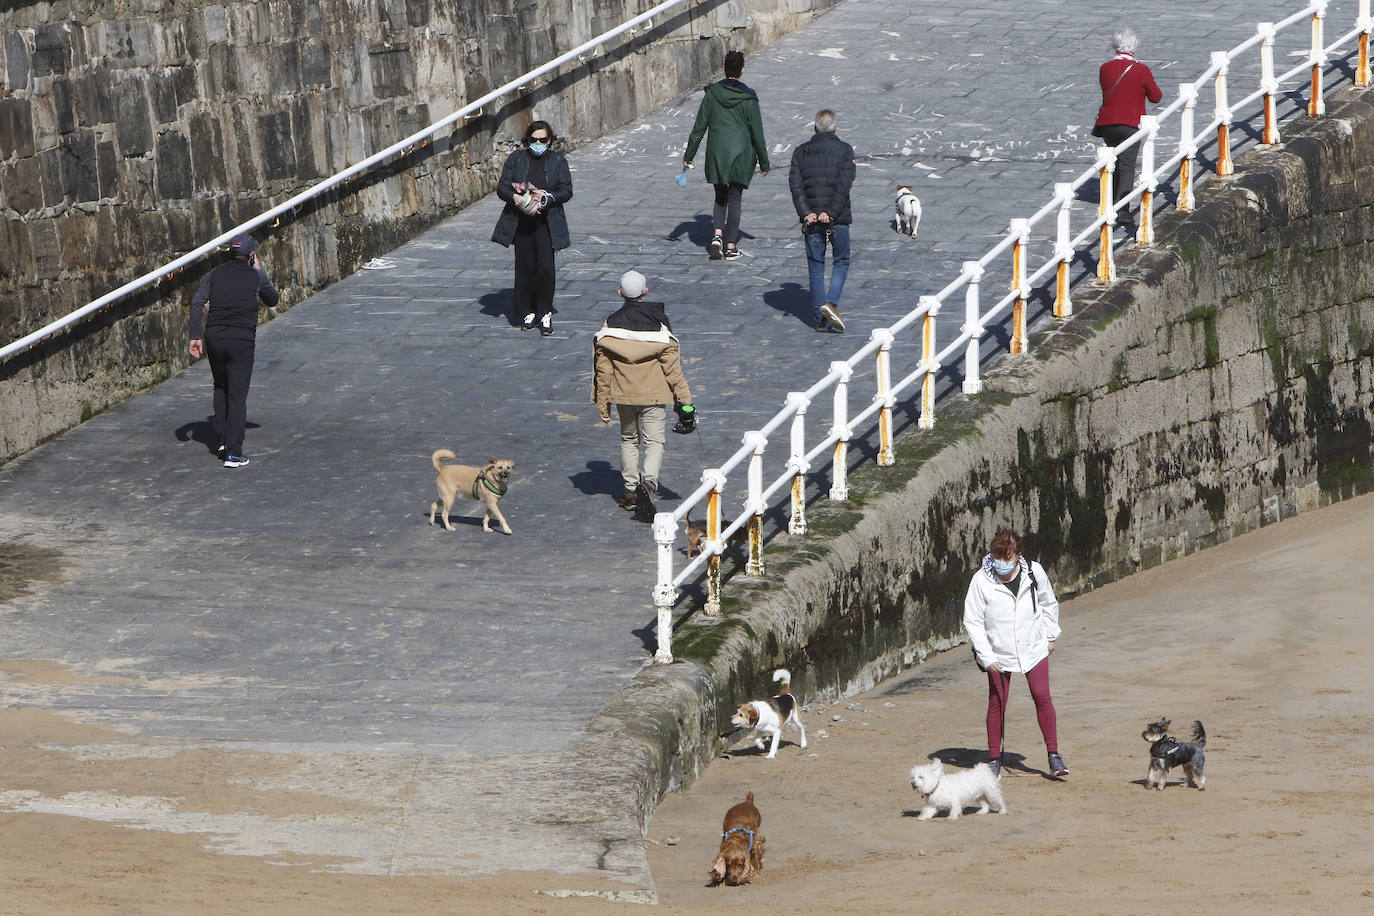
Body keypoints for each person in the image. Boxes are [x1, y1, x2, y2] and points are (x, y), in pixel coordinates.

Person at [963, 528, 1069, 778]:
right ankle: (993, 759)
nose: (1002, 562)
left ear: (1018, 554)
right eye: (998, 557)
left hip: (1033, 646)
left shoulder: (1034, 572)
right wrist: (987, 657)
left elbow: (1048, 603)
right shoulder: (981, 580)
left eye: (1007, 557)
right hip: (998, 653)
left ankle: (1054, 756)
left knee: (1042, 695)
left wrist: (1051, 635)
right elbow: (973, 621)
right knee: (997, 702)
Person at [592, 270, 694, 519]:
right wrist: (686, 402)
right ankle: (648, 483)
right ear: (645, 292)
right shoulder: (660, 327)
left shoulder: (609, 327)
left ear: (620, 294)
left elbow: (602, 371)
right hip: (655, 395)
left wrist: (602, 404)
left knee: (629, 439)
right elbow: (673, 370)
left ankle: (630, 491)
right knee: (654, 441)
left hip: (624, 396)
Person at [188, 234, 279, 468]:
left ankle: (222, 440)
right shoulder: (254, 276)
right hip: (241, 340)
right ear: (250, 255)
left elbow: (197, 302)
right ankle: (234, 453)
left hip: (215, 338)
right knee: (237, 396)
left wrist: (195, 336)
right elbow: (272, 299)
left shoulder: (215, 275)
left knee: (220, 386)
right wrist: (259, 270)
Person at [683, 50, 770, 261]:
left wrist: (689, 155)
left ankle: (716, 237)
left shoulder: (712, 94)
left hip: (717, 154)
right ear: (741, 69)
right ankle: (731, 246)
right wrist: (764, 161)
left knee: (720, 196)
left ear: (724, 68)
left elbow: (699, 127)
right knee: (735, 198)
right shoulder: (749, 97)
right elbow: (757, 133)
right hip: (741, 155)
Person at [492, 120, 574, 336]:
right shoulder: (517, 158)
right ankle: (527, 311)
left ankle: (545, 311)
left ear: (550, 140)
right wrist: (516, 198)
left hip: (547, 224)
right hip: (522, 224)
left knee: (546, 269)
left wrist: (548, 198)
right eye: (533, 140)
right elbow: (502, 187)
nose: (538, 143)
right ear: (527, 140)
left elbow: (566, 190)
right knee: (525, 268)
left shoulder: (558, 160)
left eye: (542, 140)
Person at [788, 108, 855, 333]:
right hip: (838, 219)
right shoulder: (845, 151)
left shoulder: (800, 152)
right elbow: (844, 185)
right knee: (841, 261)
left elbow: (796, 186)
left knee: (816, 266)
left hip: (811, 220)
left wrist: (807, 212)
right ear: (836, 128)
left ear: (814, 127)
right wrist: (832, 213)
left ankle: (819, 317)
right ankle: (831, 303)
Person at [1092, 28, 1163, 213]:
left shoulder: (1105, 68)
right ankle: (1123, 209)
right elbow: (1156, 97)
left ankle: (1109, 201)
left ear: (1115, 46)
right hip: (1130, 123)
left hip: (1108, 124)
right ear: (1135, 47)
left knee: (1113, 161)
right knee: (1127, 165)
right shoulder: (1141, 69)